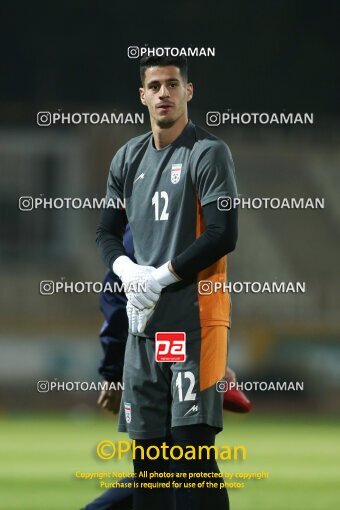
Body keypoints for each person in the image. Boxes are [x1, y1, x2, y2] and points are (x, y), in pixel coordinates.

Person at [96, 54, 238, 510]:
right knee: (148, 466)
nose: (164, 93)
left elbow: (223, 233)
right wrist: (128, 271)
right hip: (144, 330)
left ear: (188, 92)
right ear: (143, 96)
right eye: (155, 86)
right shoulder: (126, 156)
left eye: (173, 84)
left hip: (194, 325)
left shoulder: (208, 152)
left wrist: (160, 275)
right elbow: (106, 232)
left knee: (191, 455)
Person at [83, 226, 251, 510]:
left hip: (169, 348)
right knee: (179, 459)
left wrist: (215, 359)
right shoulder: (156, 223)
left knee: (172, 460)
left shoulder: (180, 223)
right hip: (151, 349)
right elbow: (116, 294)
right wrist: (113, 373)